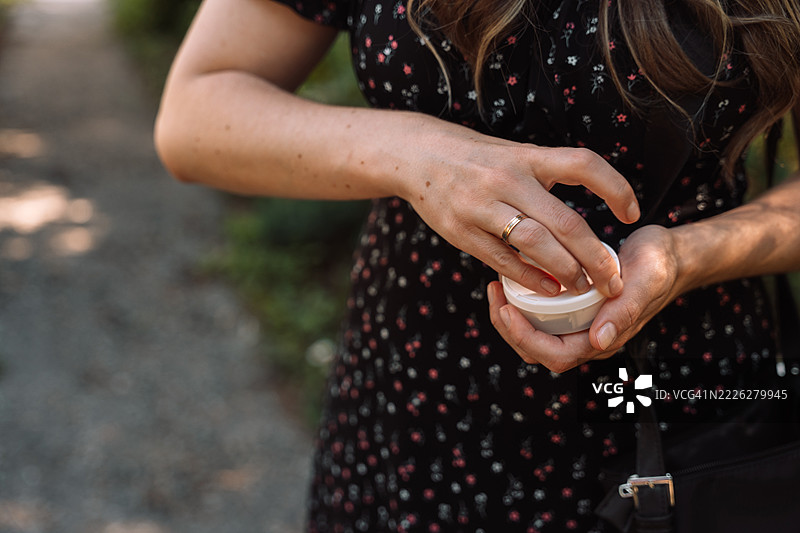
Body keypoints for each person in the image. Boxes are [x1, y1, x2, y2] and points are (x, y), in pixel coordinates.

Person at [154, 0, 800, 530]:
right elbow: (194, 116)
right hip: (417, 404)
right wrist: (415, 155)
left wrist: (689, 255)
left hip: (679, 410)